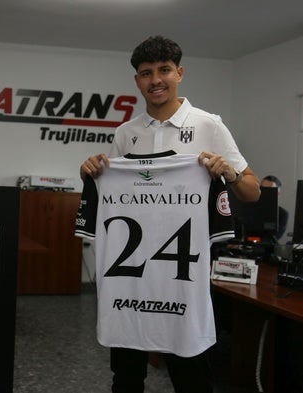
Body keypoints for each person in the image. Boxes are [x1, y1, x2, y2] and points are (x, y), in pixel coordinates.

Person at [79, 36, 260, 393]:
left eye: (164, 70)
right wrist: (91, 170)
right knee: (126, 377)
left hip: (183, 275)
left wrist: (230, 173)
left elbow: (252, 191)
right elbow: (110, 189)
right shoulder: (125, 133)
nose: (155, 80)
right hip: (129, 276)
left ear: (180, 73)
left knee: (191, 376)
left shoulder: (209, 125)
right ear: (137, 81)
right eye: (146, 73)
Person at [261, 175, 289, 240]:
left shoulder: (282, 214)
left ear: (278, 194)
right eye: (262, 188)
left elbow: (274, 238)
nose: (264, 192)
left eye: (269, 190)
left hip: (268, 248)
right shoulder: (249, 209)